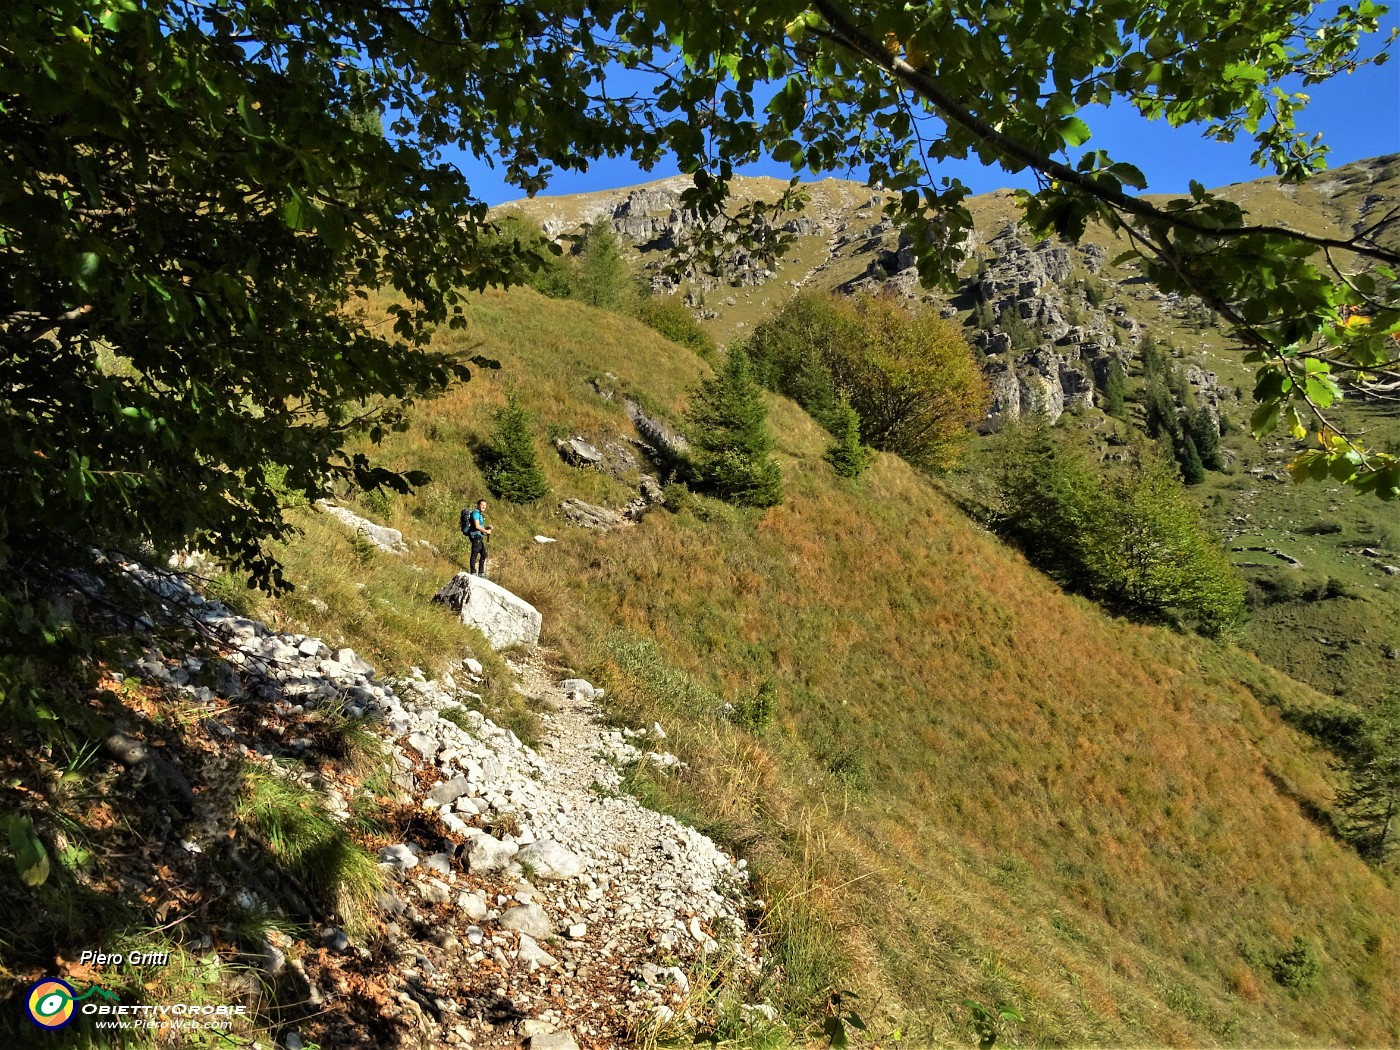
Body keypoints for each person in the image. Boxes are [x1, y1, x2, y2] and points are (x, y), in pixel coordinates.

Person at [461, 498, 493, 578]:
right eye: (482, 505)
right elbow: (477, 526)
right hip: (475, 536)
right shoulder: (476, 513)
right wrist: (487, 531)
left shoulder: (479, 514)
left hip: (478, 536)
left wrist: (487, 528)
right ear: (478, 505)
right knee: (475, 553)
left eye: (485, 505)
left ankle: (480, 572)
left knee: (483, 553)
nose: (484, 507)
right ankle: (473, 572)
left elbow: (479, 526)